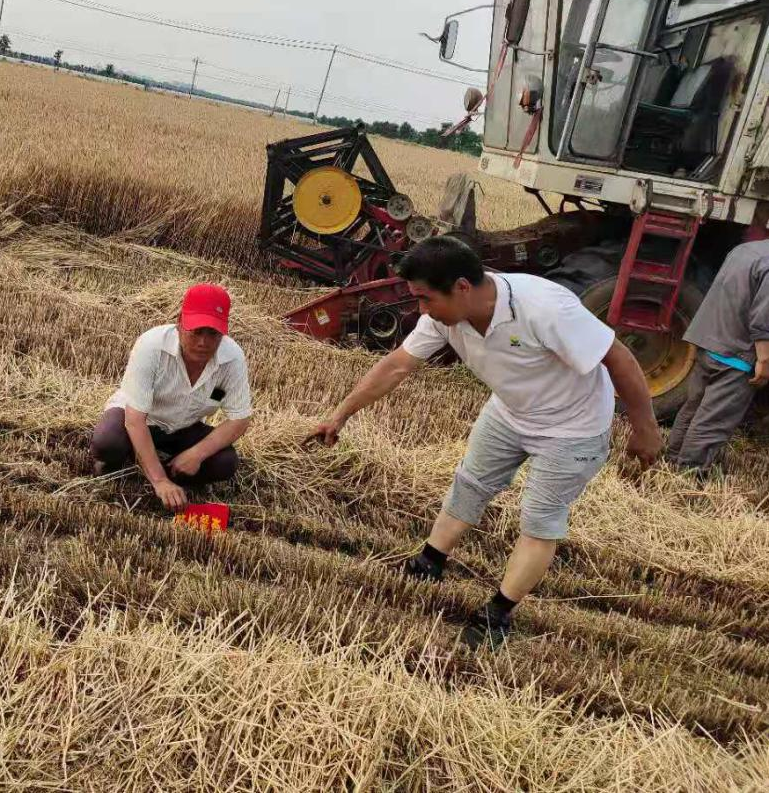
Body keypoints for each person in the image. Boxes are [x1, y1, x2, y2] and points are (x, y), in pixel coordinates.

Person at [308, 236, 661, 649]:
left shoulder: (544, 307)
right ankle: (430, 562)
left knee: (539, 518)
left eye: (426, 299)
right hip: (510, 411)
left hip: (572, 426)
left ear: (461, 287)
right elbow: (397, 366)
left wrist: (645, 428)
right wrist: (341, 414)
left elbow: (618, 357)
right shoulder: (444, 317)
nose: (422, 310)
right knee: (470, 483)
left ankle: (498, 613)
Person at [91, 283, 252, 512]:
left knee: (225, 463)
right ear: (179, 322)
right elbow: (135, 419)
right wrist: (159, 481)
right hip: (144, 418)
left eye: (213, 334)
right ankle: (127, 466)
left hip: (185, 425)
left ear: (224, 331)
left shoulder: (232, 358)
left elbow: (239, 418)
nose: (203, 342)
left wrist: (196, 454)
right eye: (196, 331)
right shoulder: (151, 346)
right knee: (108, 442)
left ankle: (173, 471)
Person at [666, 239, 769, 475]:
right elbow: (764, 321)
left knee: (693, 410)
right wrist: (764, 361)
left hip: (710, 342)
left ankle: (671, 461)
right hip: (737, 355)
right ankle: (689, 476)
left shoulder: (745, 250)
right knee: (713, 422)